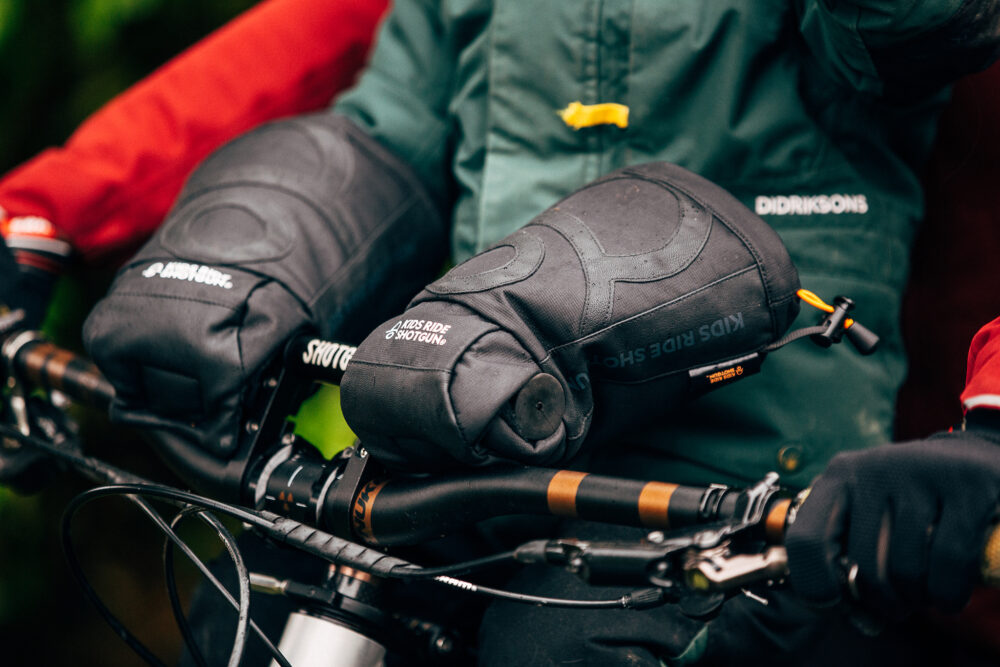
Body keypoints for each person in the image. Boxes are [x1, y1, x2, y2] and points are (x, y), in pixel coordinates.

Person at [4, 0, 1000, 664]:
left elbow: (918, 24)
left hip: (735, 487)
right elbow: (385, 125)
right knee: (255, 610)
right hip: (460, 425)